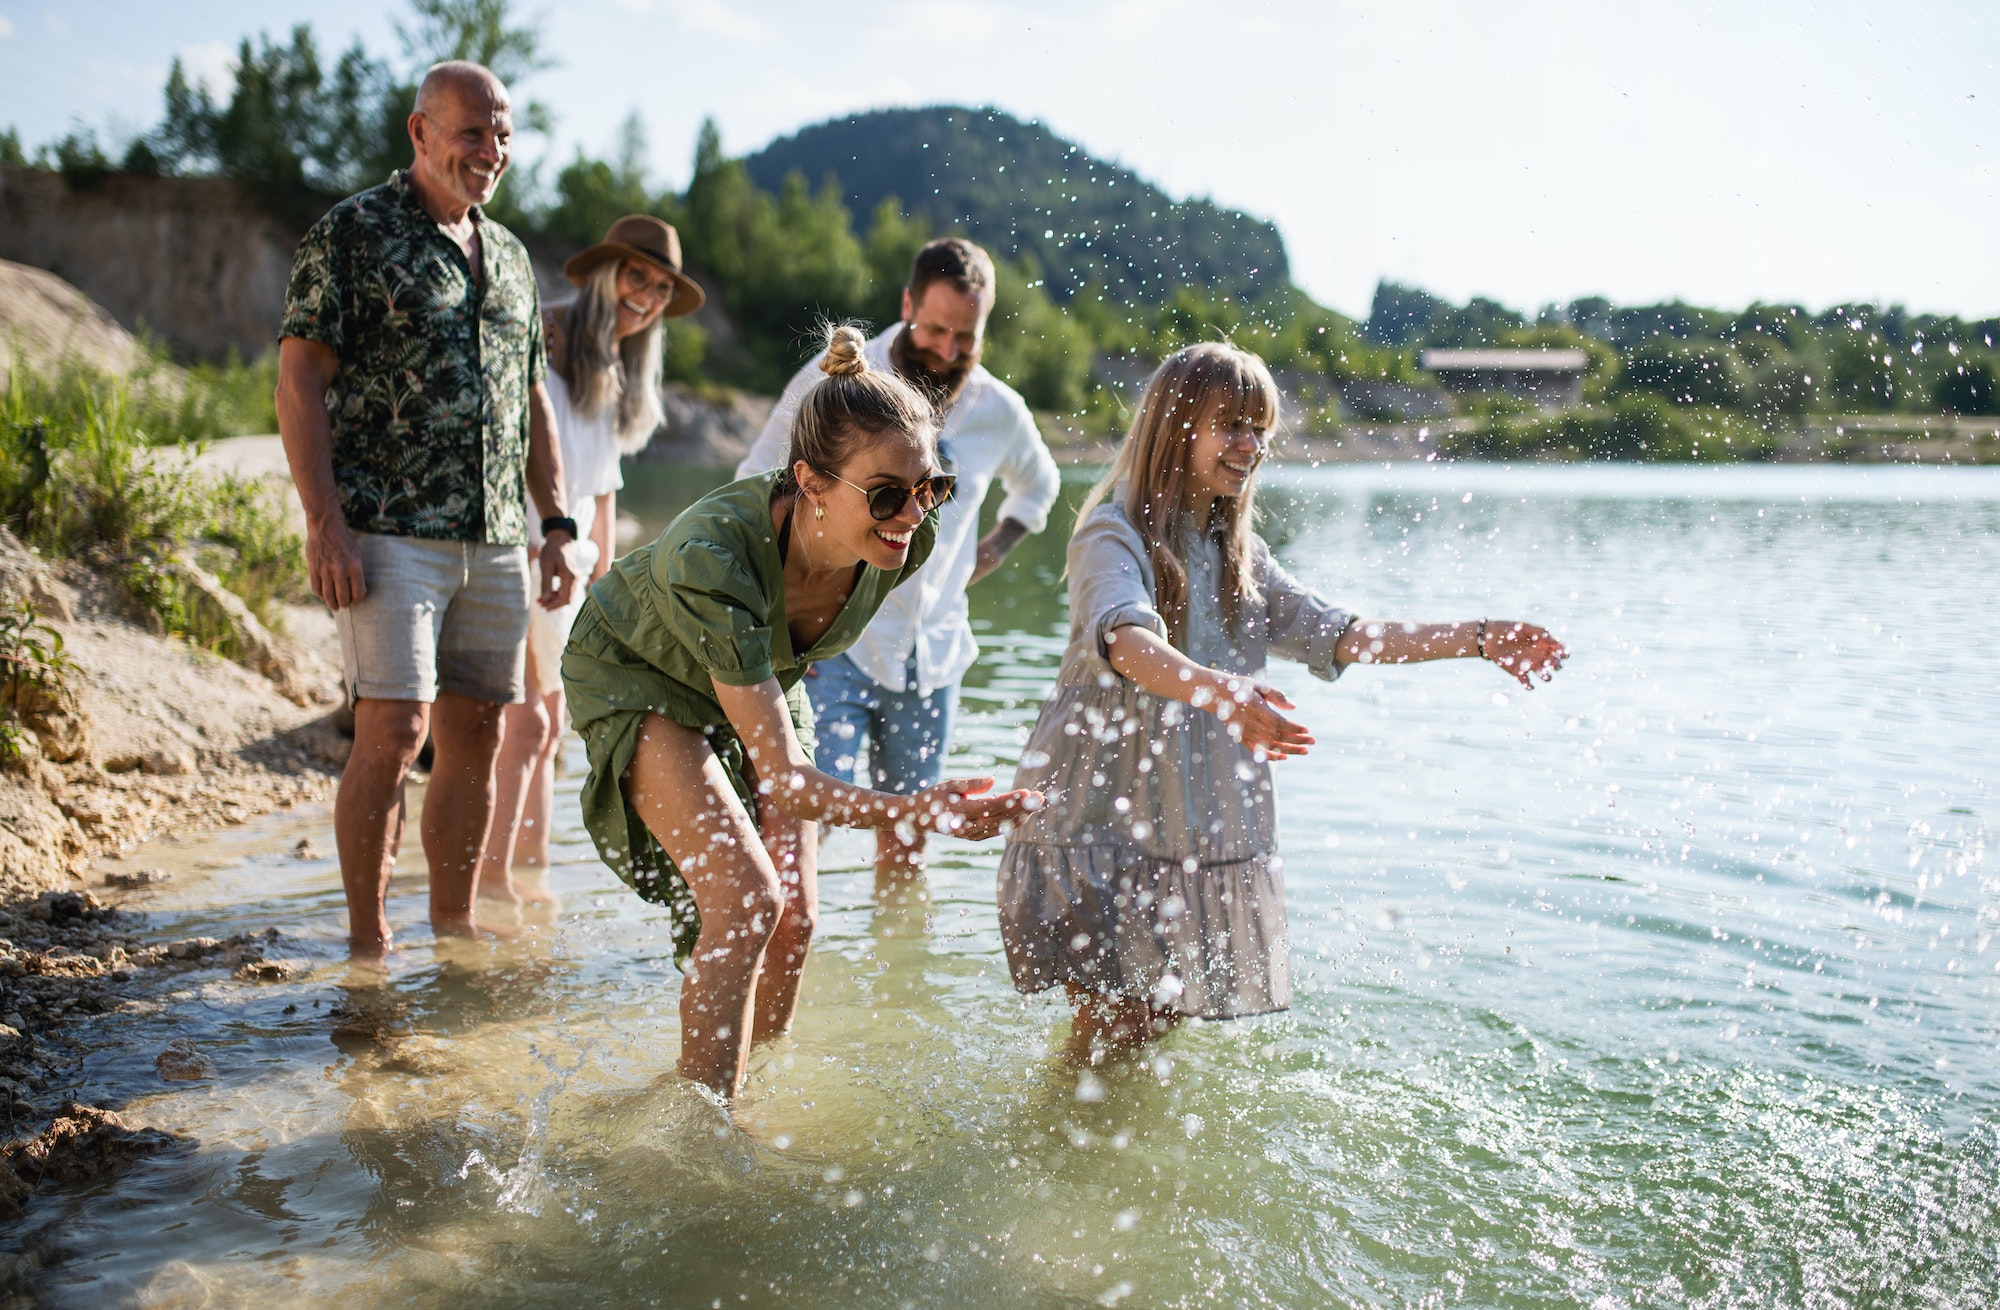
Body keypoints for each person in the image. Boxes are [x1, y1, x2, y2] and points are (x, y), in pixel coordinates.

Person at [996, 343, 1567, 1062]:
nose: (1251, 445)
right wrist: (1223, 689)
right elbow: (1125, 641)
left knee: (1151, 1023)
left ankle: (1071, 1151)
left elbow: (1349, 635)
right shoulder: (1113, 534)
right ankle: (1056, 1155)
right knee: (1114, 1030)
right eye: (1231, 425)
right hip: (1097, 824)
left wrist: (1478, 637)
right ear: (1176, 429)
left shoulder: (1240, 554)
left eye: (1260, 427)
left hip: (1177, 831)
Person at [563, 325, 1041, 1097]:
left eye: (932, 487)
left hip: (760, 668)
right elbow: (785, 781)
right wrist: (915, 810)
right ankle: (702, 1133)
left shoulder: (903, 539)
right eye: (887, 493)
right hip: (640, 668)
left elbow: (820, 642)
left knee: (796, 919)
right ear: (810, 482)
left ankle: (753, 1086)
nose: (914, 513)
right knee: (749, 898)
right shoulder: (712, 559)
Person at [275, 61, 577, 958]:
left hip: (493, 537)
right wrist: (323, 521)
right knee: (394, 729)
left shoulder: (514, 257)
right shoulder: (353, 233)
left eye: (505, 134)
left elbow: (531, 399)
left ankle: (451, 926)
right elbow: (299, 375)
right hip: (386, 527)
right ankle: (368, 946)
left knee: (478, 732)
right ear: (420, 132)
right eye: (472, 130)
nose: (491, 149)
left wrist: (554, 524)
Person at [736, 238, 1060, 892]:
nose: (945, 349)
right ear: (907, 303)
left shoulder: (1000, 411)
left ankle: (894, 972)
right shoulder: (837, 381)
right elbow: (754, 486)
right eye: (934, 328)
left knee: (910, 839)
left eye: (964, 337)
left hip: (933, 657)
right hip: (832, 650)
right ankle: (781, 958)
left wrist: (985, 555)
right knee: (800, 827)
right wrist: (790, 617)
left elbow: (1040, 487)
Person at [478, 215, 705, 913]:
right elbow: (512, 457)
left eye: (663, 288)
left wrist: (609, 597)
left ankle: (532, 876)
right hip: (518, 547)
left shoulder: (613, 362)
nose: (648, 296)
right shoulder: (540, 338)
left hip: (569, 567)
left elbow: (601, 494)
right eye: (638, 276)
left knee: (547, 733)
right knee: (527, 726)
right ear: (607, 274)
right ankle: (489, 883)